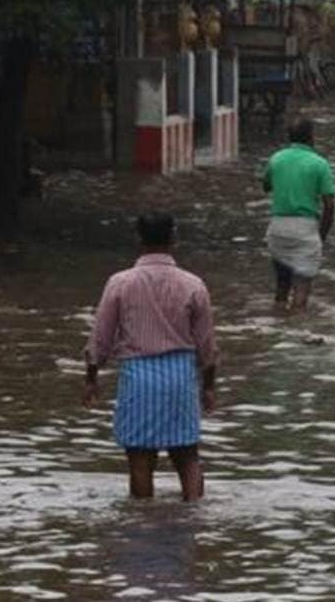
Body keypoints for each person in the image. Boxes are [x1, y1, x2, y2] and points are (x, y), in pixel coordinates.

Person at [83, 212, 219, 502]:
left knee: (140, 459)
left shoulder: (120, 282)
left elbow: (100, 337)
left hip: (138, 376)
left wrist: (91, 378)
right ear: (173, 238)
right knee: (187, 456)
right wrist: (208, 386)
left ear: (138, 238)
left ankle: (143, 521)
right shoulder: (193, 284)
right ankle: (194, 520)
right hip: (180, 376)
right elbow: (207, 343)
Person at [262, 118, 335, 311]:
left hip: (277, 228)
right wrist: (322, 236)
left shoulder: (276, 158)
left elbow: (266, 185)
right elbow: (329, 205)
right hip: (305, 228)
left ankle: (278, 326)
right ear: (311, 138)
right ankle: (296, 331)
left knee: (281, 285)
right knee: (301, 288)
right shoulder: (320, 164)